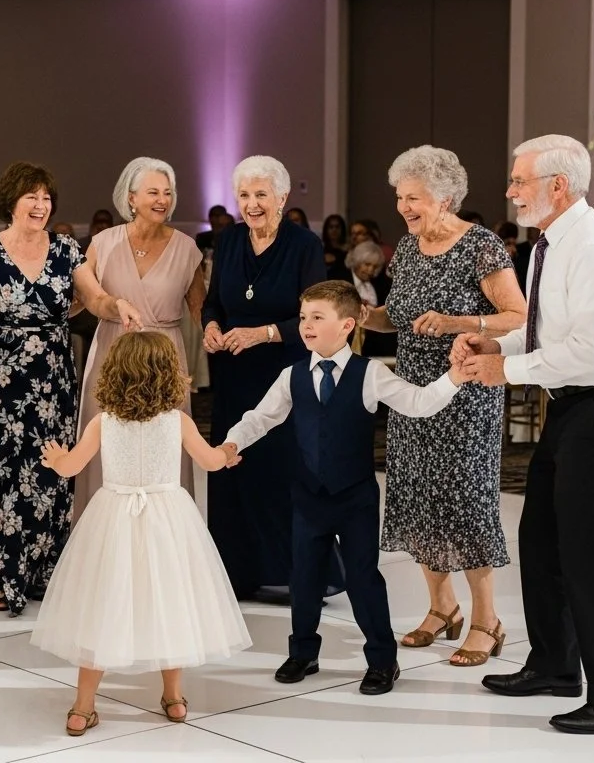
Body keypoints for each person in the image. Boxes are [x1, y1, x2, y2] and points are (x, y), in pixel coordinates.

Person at [459, 134, 594, 735]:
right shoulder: (551, 243)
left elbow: (592, 351)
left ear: (558, 186)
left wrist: (506, 370)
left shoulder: (593, 247)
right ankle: (554, 665)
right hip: (572, 405)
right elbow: (550, 331)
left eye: (519, 181)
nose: (511, 190)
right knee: (541, 537)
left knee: (587, 555)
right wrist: (499, 343)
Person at [222, 280, 465, 695]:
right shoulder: (292, 375)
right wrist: (231, 443)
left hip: (354, 498)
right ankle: (303, 652)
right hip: (307, 496)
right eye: (303, 318)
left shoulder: (369, 373)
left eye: (318, 317)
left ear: (347, 324)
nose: (306, 325)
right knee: (305, 577)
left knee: (363, 577)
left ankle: (383, 661)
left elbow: (419, 403)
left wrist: (454, 378)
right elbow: (260, 418)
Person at [0, 161, 143, 616]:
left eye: (46, 198)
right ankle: (0, 575)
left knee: (50, 467)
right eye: (32, 197)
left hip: (51, 375)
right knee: (0, 472)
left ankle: (44, 570)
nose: (41, 205)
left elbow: (95, 296)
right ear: (12, 202)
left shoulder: (66, 249)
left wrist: (115, 304)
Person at [32, 331, 250, 736]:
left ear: (116, 373)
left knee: (101, 605)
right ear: (169, 374)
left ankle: (82, 707)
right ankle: (173, 698)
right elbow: (210, 461)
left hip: (113, 516)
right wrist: (228, 453)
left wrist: (57, 458)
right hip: (169, 519)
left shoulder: (103, 422)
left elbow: (71, 469)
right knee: (171, 603)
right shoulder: (178, 421)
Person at [359, 145, 526, 666]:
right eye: (400, 197)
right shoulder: (406, 249)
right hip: (413, 394)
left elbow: (518, 315)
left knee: (466, 502)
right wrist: (367, 316)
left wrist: (459, 323)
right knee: (418, 498)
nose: (405, 207)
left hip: (467, 394)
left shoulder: (482, 247)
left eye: (416, 198)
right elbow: (401, 315)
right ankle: (441, 608)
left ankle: (487, 620)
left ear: (447, 197)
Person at [202, 155, 342, 602]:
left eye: (262, 194)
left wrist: (261, 333)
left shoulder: (304, 245)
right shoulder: (228, 241)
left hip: (281, 374)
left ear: (282, 197)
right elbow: (213, 302)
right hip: (231, 374)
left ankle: (301, 573)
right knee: (233, 467)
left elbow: (314, 318)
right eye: (244, 195)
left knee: (282, 473)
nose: (253, 203)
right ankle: (237, 572)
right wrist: (210, 326)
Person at [74, 157, 205, 521]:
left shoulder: (188, 249)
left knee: (163, 447)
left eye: (168, 193)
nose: (162, 200)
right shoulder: (102, 243)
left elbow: (200, 310)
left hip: (164, 358)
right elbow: (85, 299)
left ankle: (166, 533)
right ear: (131, 198)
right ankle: (101, 531)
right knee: (107, 443)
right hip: (113, 354)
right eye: (153, 192)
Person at [345, 241, 395, 357]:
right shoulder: (340, 278)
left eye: (375, 266)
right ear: (357, 262)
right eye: (367, 265)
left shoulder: (382, 284)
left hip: (375, 343)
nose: (370, 270)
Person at [321, 213, 350, 279]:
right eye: (331, 227)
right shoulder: (321, 251)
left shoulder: (348, 251)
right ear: (326, 230)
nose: (334, 230)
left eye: (337, 227)